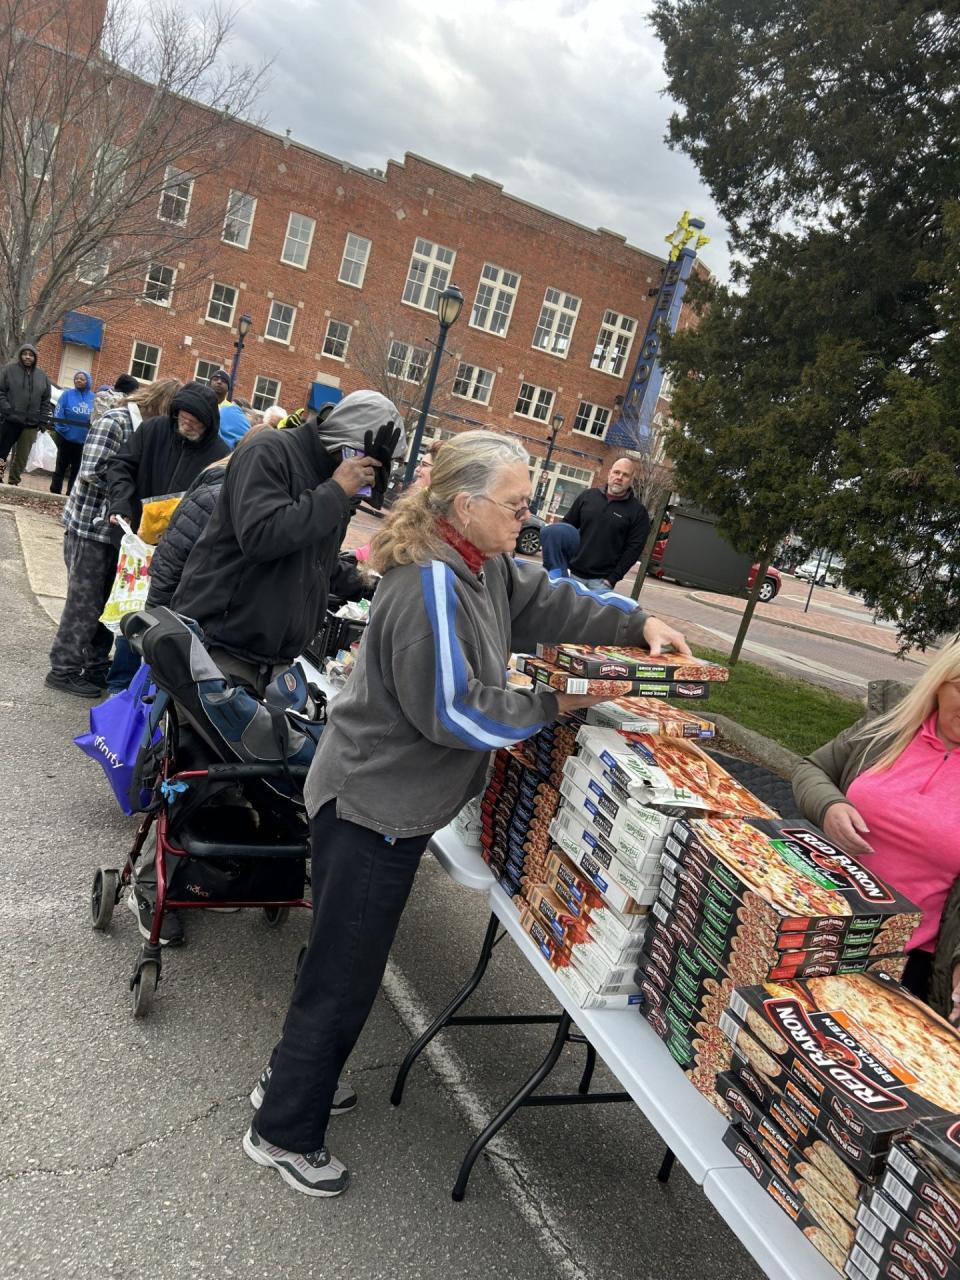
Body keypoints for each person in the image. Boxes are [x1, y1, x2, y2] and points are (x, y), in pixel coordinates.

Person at [243, 430, 691, 1196]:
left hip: (389, 802)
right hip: (371, 806)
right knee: (345, 973)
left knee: (337, 961)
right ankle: (284, 1127)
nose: (529, 515)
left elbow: (549, 598)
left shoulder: (478, 564)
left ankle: (290, 1080)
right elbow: (457, 714)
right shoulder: (429, 585)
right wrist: (564, 700)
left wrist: (633, 624)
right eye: (516, 505)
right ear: (465, 504)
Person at [173, 389, 404, 696]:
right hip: (222, 646)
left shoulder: (331, 479)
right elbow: (260, 537)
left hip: (273, 659)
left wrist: (368, 583)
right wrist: (336, 491)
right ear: (349, 447)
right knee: (197, 743)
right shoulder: (270, 450)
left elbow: (313, 559)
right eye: (370, 463)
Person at [792, 645, 960, 1023]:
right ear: (939, 684)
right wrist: (829, 806)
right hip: (811, 922)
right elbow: (812, 769)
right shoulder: (890, 721)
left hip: (903, 960)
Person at [45, 379, 181, 697]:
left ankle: (94, 665)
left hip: (117, 534)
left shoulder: (146, 429)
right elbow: (91, 470)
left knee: (109, 603)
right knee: (84, 603)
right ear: (162, 404)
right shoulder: (117, 421)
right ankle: (62, 669)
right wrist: (129, 486)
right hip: (88, 528)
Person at [104, 381, 228, 692]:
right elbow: (120, 466)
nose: (186, 424)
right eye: (182, 417)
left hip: (181, 552)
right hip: (137, 542)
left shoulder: (220, 454)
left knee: (161, 621)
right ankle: (120, 684)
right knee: (129, 612)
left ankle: (148, 689)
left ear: (208, 423)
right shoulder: (154, 430)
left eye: (195, 421)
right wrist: (121, 503)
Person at [146, 424, 273, 609]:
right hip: (182, 604)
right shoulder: (217, 495)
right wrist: (156, 610)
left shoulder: (220, 479)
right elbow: (173, 554)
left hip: (189, 602)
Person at [562, 457, 650, 591]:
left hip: (601, 583)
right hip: (572, 575)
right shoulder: (588, 497)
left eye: (625, 475)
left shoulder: (638, 512)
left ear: (631, 479)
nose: (619, 477)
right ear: (609, 473)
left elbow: (633, 550)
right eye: (616, 472)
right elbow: (566, 527)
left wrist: (613, 578)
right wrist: (561, 561)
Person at [0, 342, 52, 485]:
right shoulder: (8, 370)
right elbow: (1, 392)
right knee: (2, 452)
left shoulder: (42, 376)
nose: (27, 357)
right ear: (20, 355)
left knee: (22, 456)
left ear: (35, 357)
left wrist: (43, 420)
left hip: (31, 423)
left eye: (31, 355)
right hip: (10, 420)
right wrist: (8, 410)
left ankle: (14, 480)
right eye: (25, 354)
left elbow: (46, 400)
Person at [50, 370, 95, 495]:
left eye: (82, 379)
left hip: (83, 441)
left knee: (76, 469)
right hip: (66, 437)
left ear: (88, 382)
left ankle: (71, 493)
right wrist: (64, 429)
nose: (78, 381)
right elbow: (59, 412)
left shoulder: (93, 398)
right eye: (76, 378)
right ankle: (55, 490)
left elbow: (96, 417)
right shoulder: (67, 395)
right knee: (61, 466)